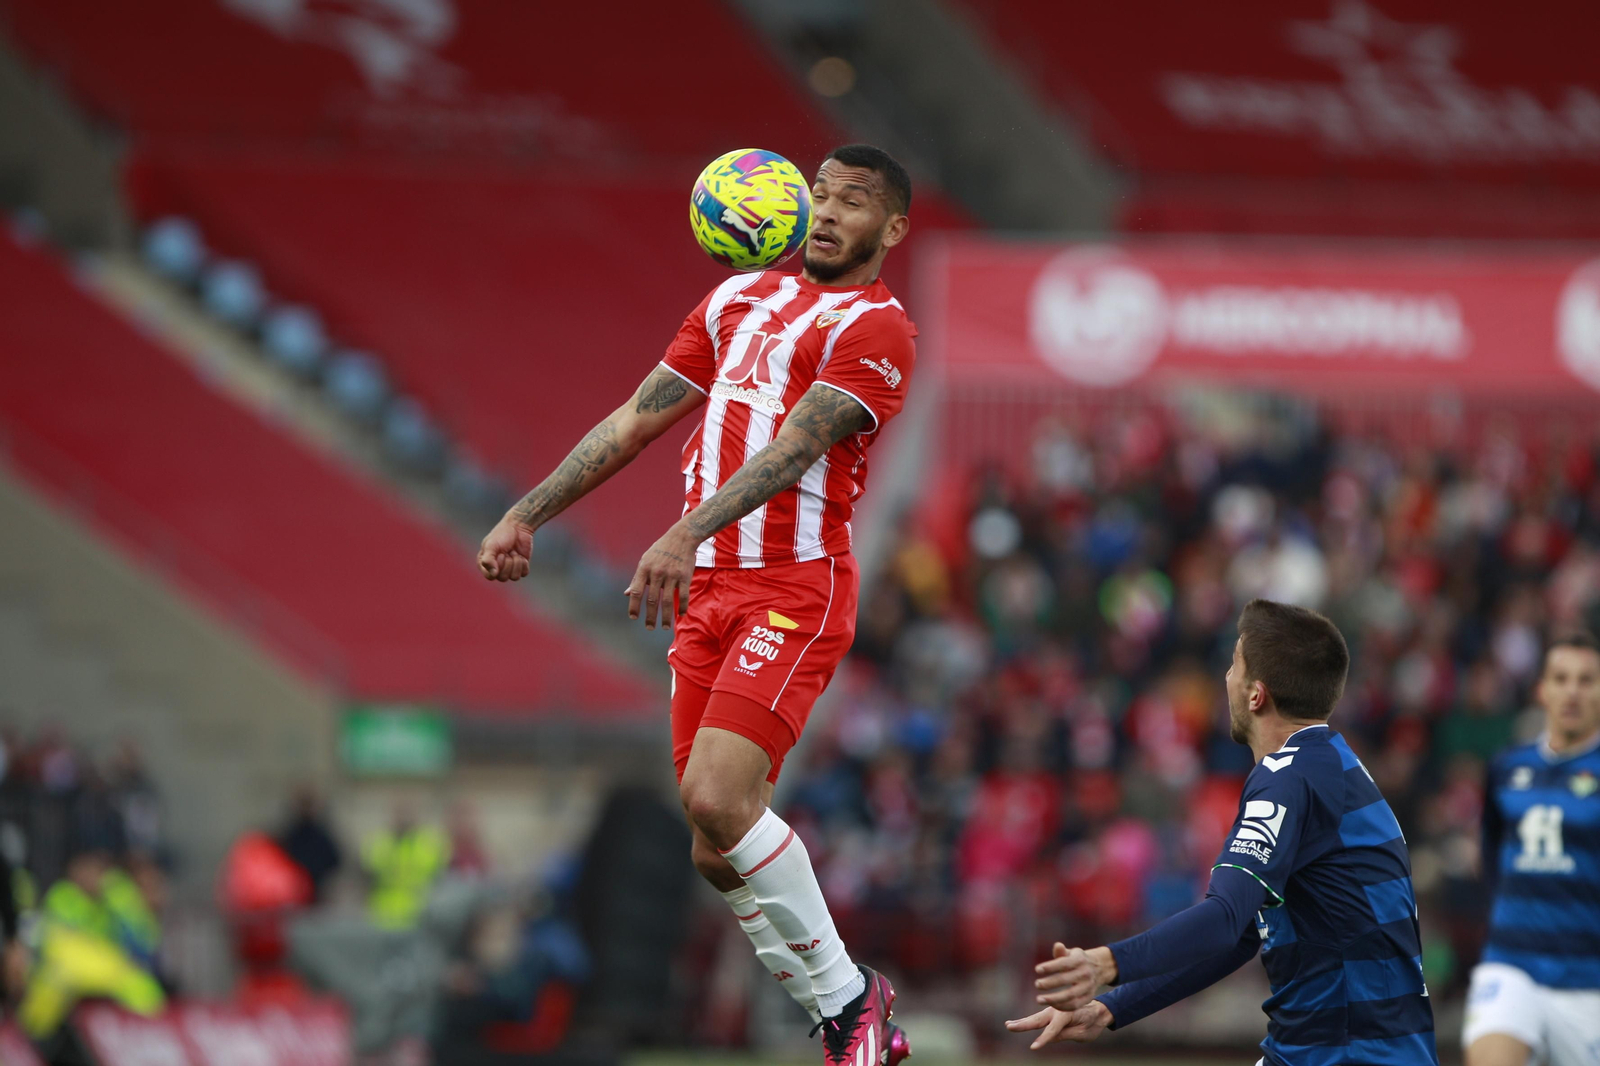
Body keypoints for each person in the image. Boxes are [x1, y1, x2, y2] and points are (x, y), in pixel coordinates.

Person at [478, 144, 918, 1065]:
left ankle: (850, 1008)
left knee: (717, 799)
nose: (829, 213)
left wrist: (682, 532)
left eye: (853, 202)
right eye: (820, 195)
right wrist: (528, 512)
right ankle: (845, 1014)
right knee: (716, 850)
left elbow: (791, 452)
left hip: (793, 589)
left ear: (893, 229)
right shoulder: (734, 299)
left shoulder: (877, 331)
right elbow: (637, 418)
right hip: (708, 595)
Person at [1007, 599, 1438, 1066]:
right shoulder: (1332, 765)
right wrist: (1113, 1006)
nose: (1225, 679)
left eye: (1234, 664)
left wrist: (1105, 963)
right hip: (1353, 1049)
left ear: (1256, 694)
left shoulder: (1288, 778)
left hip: (1345, 1055)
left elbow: (1224, 918)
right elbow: (1245, 932)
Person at [1464, 632, 1600, 1066]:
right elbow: (1490, 853)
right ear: (1542, 689)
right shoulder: (1508, 767)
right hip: (1512, 963)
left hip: (1587, 980)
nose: (1572, 691)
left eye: (1586, 680)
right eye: (1561, 678)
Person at [362, 801, 449, 931]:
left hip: (419, 912)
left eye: (407, 813)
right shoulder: (379, 843)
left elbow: (439, 878)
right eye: (400, 813)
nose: (403, 818)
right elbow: (366, 877)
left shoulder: (429, 844)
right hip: (382, 913)